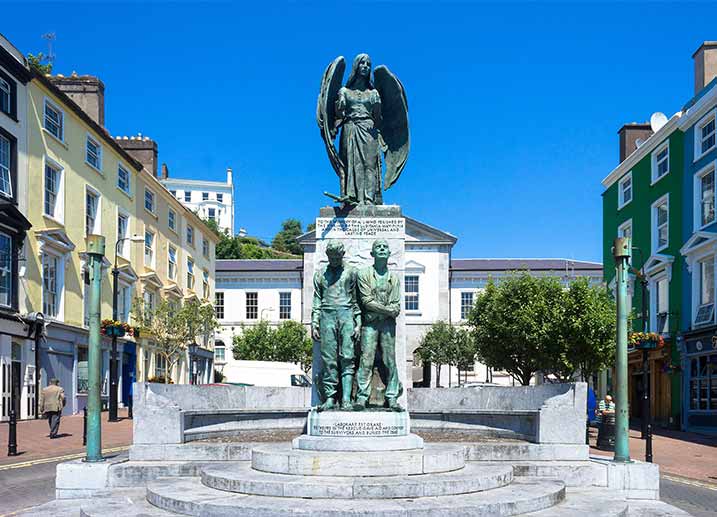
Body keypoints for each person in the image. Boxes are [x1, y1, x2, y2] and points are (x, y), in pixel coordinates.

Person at [311, 240, 361, 411]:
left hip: (347, 314)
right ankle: (330, 397)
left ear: (342, 255)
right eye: (331, 258)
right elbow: (317, 299)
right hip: (327, 316)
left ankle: (346, 398)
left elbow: (356, 300)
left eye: (337, 257)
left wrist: (358, 323)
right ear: (327, 256)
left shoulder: (352, 272)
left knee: (348, 357)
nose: (334, 260)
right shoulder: (320, 274)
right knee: (328, 359)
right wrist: (314, 322)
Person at [355, 239, 403, 411]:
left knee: (390, 360)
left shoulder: (394, 278)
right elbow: (366, 301)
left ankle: (392, 397)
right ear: (372, 253)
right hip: (369, 324)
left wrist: (381, 311)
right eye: (378, 247)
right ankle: (362, 397)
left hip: (387, 325)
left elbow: (396, 307)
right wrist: (387, 310)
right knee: (366, 359)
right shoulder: (363, 274)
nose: (382, 249)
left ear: (389, 253)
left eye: (385, 247)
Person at [336, 53, 383, 205]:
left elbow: (378, 119)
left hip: (368, 128)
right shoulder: (344, 91)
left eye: (368, 64)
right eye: (362, 63)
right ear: (356, 66)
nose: (365, 66)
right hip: (350, 128)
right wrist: (340, 107)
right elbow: (338, 116)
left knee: (370, 164)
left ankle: (369, 199)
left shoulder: (373, 93)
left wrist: (377, 107)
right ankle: (353, 197)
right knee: (352, 163)